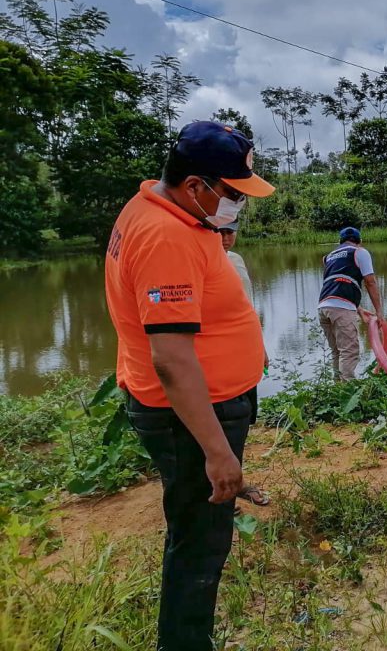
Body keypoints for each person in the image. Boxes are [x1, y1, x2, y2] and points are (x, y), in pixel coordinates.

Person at [105, 120, 275, 651]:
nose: (237, 206)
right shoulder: (166, 236)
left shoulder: (167, 211)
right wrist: (218, 453)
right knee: (201, 544)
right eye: (231, 194)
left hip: (206, 408)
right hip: (190, 417)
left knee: (200, 526)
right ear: (197, 185)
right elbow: (173, 360)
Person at [216, 219, 270, 509]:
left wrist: (259, 346)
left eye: (230, 231)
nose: (225, 237)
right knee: (220, 425)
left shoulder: (235, 260)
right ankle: (220, 493)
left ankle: (234, 482)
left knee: (241, 421)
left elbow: (246, 308)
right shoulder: (200, 263)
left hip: (243, 355)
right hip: (218, 362)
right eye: (219, 231)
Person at [317, 226, 383, 381]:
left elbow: (336, 284)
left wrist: (359, 309)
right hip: (341, 307)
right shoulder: (360, 252)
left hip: (323, 307)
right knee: (349, 351)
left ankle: (338, 390)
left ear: (340, 242)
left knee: (337, 352)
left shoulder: (329, 257)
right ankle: (348, 392)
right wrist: (379, 312)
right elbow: (370, 282)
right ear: (359, 241)